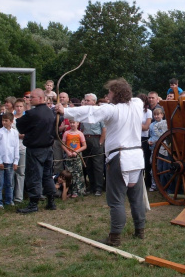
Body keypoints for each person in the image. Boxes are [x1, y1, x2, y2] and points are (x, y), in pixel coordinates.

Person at [55, 78, 146, 247]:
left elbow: (91, 112)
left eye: (110, 92)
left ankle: (115, 237)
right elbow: (138, 98)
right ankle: (140, 231)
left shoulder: (112, 110)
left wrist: (65, 111)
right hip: (136, 157)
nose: (108, 95)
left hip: (120, 158)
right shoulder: (137, 104)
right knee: (136, 198)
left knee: (116, 200)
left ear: (116, 94)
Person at [15, 88, 56, 213]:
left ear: (40, 98)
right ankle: (51, 201)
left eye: (32, 97)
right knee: (47, 175)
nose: (29, 100)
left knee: (34, 176)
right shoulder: (50, 112)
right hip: (48, 148)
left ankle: (33, 204)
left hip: (36, 149)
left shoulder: (33, 114)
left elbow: (20, 126)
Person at [80, 93, 106, 196]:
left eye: (88, 100)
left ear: (94, 102)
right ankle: (91, 186)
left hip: (96, 139)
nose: (86, 102)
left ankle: (99, 187)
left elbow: (104, 129)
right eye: (85, 100)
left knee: (98, 165)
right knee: (88, 164)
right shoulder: (84, 113)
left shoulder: (99, 113)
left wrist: (100, 142)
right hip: (86, 139)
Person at [0, 112, 19, 208]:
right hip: (1, 161)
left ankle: (9, 200)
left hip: (11, 161)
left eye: (6, 120)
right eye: (3, 120)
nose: (4, 122)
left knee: (9, 182)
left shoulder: (15, 133)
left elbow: (16, 147)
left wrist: (16, 161)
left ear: (11, 122)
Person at [62, 119, 87, 198]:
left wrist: (76, 152)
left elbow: (84, 146)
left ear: (77, 123)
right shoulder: (66, 133)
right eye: (71, 123)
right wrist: (68, 152)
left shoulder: (80, 133)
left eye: (74, 123)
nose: (72, 124)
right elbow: (63, 144)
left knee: (78, 173)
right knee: (69, 173)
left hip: (77, 156)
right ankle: (70, 190)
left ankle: (79, 191)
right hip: (69, 156)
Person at [138, 94, 153, 190]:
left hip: (144, 138)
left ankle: (147, 181)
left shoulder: (148, 112)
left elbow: (146, 127)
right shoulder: (134, 111)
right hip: (135, 138)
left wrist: (134, 124)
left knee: (146, 160)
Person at [13, 98, 26, 203]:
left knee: (21, 172)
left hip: (23, 148)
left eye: (21, 106)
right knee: (11, 172)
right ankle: (10, 196)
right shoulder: (11, 119)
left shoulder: (26, 118)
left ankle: (19, 197)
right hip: (12, 149)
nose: (19, 108)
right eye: (17, 106)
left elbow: (28, 134)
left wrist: (20, 135)